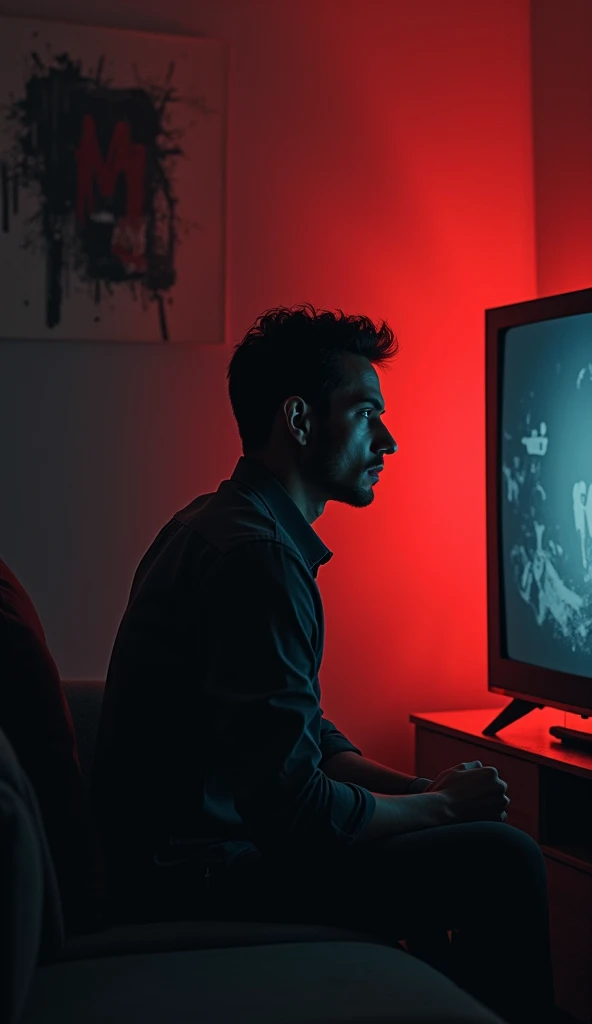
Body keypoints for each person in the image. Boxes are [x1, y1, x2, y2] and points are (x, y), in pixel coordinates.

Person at [91, 305, 556, 1023]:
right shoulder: (259, 560)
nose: (389, 439)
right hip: (202, 874)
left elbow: (293, 735)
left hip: (193, 851)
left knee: (455, 837)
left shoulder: (216, 523)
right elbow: (296, 811)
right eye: (367, 412)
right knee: (503, 858)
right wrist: (433, 808)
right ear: (300, 422)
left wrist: (415, 791)